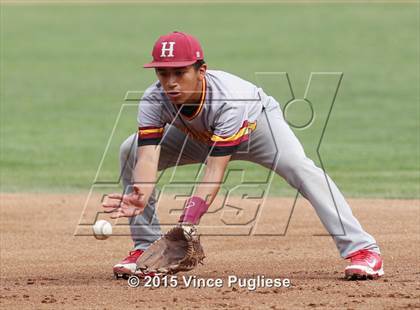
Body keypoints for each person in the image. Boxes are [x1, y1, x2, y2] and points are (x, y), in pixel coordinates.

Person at [102, 31, 384, 280]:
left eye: (180, 72)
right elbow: (148, 156)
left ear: (201, 70)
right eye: (163, 73)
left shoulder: (229, 99)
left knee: (299, 168)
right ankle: (145, 247)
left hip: (258, 130)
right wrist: (141, 192)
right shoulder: (154, 99)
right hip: (199, 136)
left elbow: (214, 170)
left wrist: (188, 221)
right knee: (130, 149)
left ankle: (363, 249)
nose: (170, 82)